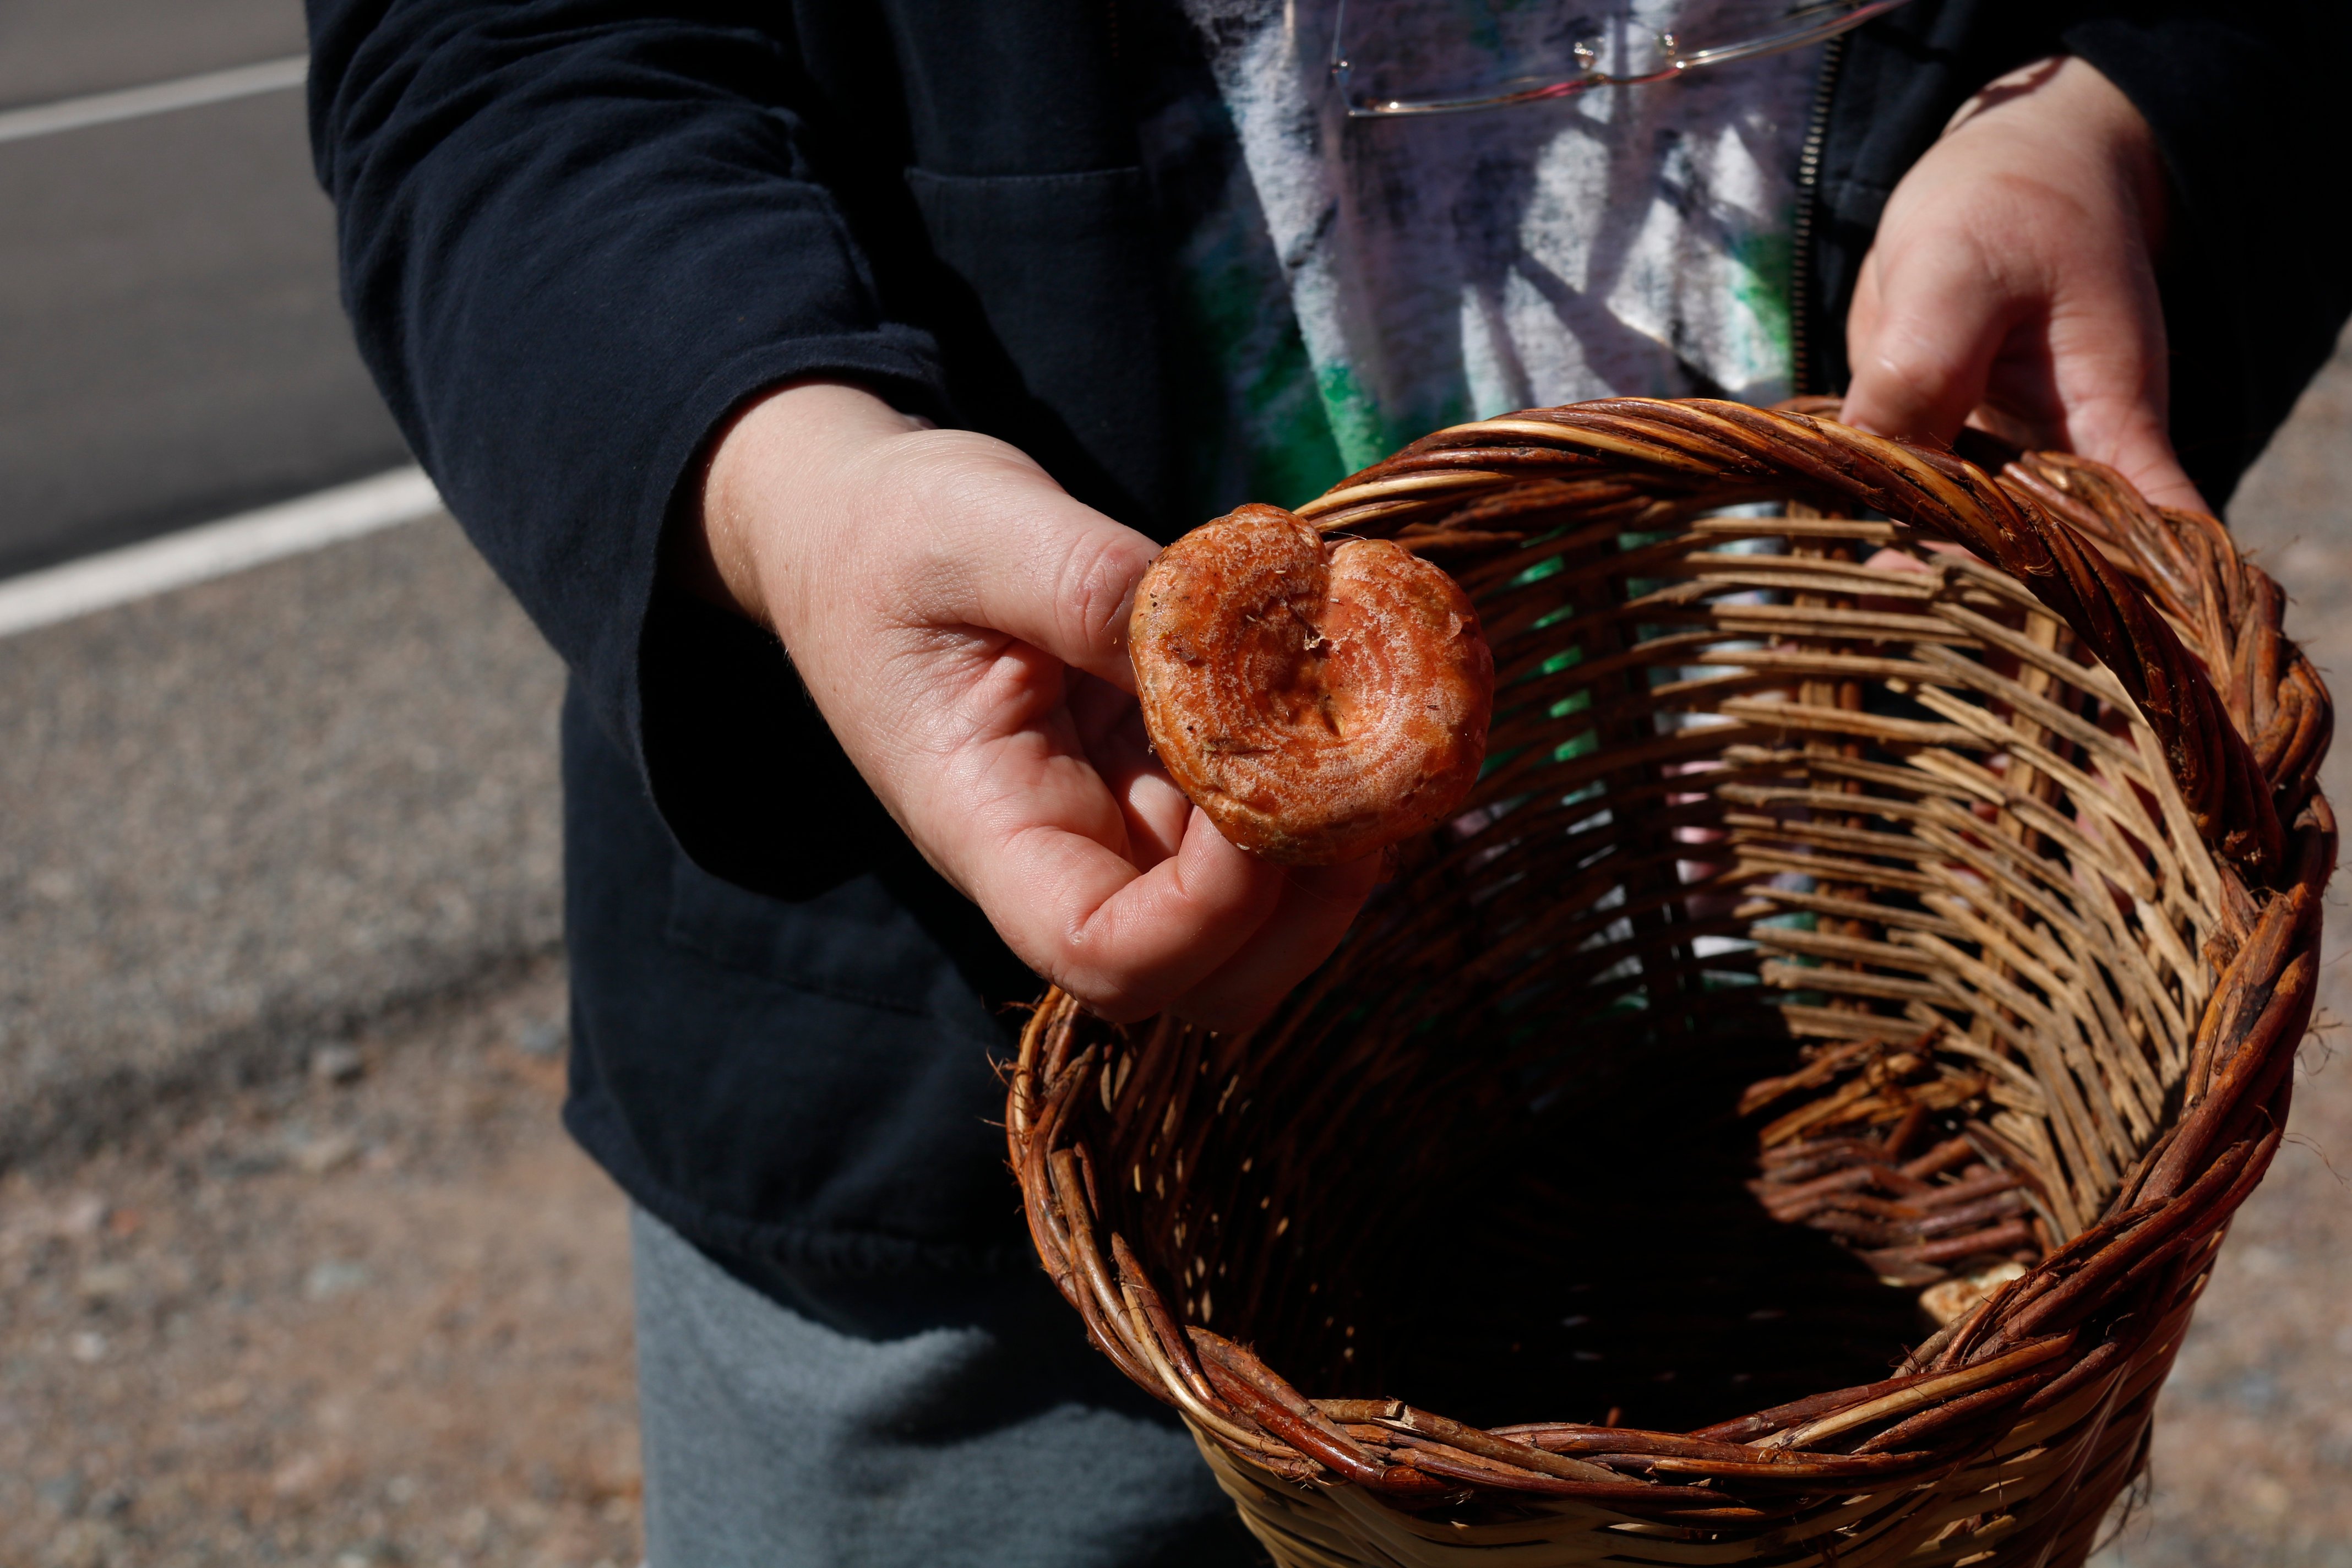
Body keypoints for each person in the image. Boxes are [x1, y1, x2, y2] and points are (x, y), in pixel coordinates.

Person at [304, 1, 2349, 1561]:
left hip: (1871, 1074)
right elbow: (505, 56)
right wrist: (793, 479)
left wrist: (2122, 109)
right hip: (987, 1171)